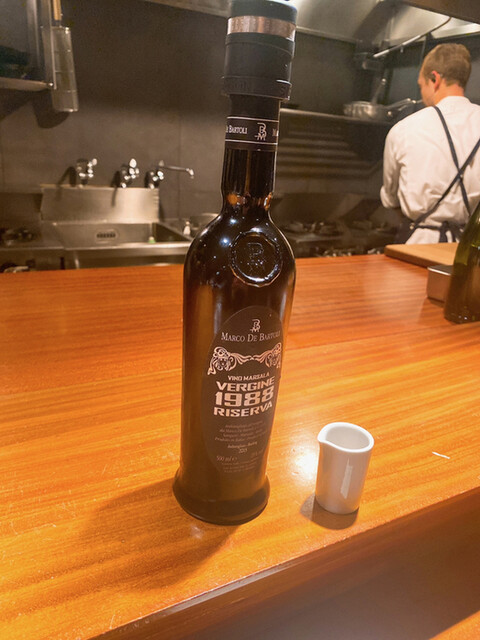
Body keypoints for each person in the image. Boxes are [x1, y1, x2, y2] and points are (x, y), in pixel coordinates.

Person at [380, 43, 480, 244]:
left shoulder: (404, 129)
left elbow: (391, 199)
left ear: (435, 79)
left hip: (420, 245)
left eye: (421, 85)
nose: (422, 93)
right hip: (471, 248)